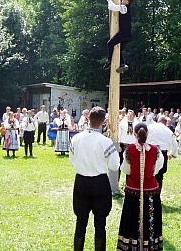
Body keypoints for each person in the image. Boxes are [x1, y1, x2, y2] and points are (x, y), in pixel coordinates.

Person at [69, 107, 120, 251]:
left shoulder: (76, 138)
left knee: (80, 221)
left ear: (88, 119)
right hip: (99, 182)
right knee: (100, 223)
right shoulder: (105, 141)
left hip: (81, 181)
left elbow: (72, 160)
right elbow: (115, 166)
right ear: (103, 121)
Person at [117, 122, 164, 250]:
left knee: (131, 219)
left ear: (134, 134)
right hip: (151, 190)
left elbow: (125, 169)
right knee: (150, 220)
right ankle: (150, 245)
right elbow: (157, 169)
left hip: (133, 190)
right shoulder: (156, 150)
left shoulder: (129, 150)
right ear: (147, 133)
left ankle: (131, 245)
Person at [103, 0, 134, 73]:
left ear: (127, 1)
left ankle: (109, 61)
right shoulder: (126, 8)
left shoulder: (124, 8)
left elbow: (112, 7)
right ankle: (123, 65)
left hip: (124, 33)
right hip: (127, 34)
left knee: (110, 44)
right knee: (119, 50)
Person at [147, 116, 178, 190]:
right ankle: (157, 197)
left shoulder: (150, 127)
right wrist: (173, 154)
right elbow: (175, 144)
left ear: (158, 120)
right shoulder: (168, 131)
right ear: (166, 122)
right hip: (162, 153)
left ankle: (148, 194)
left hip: (150, 152)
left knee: (148, 173)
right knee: (159, 175)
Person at [118, 110, 139, 179]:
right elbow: (118, 134)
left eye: (131, 114)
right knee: (119, 163)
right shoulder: (122, 123)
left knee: (130, 164)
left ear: (134, 116)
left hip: (132, 146)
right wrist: (118, 145)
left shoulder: (137, 124)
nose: (130, 116)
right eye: (128, 114)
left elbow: (139, 135)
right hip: (123, 145)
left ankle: (128, 182)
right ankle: (117, 181)